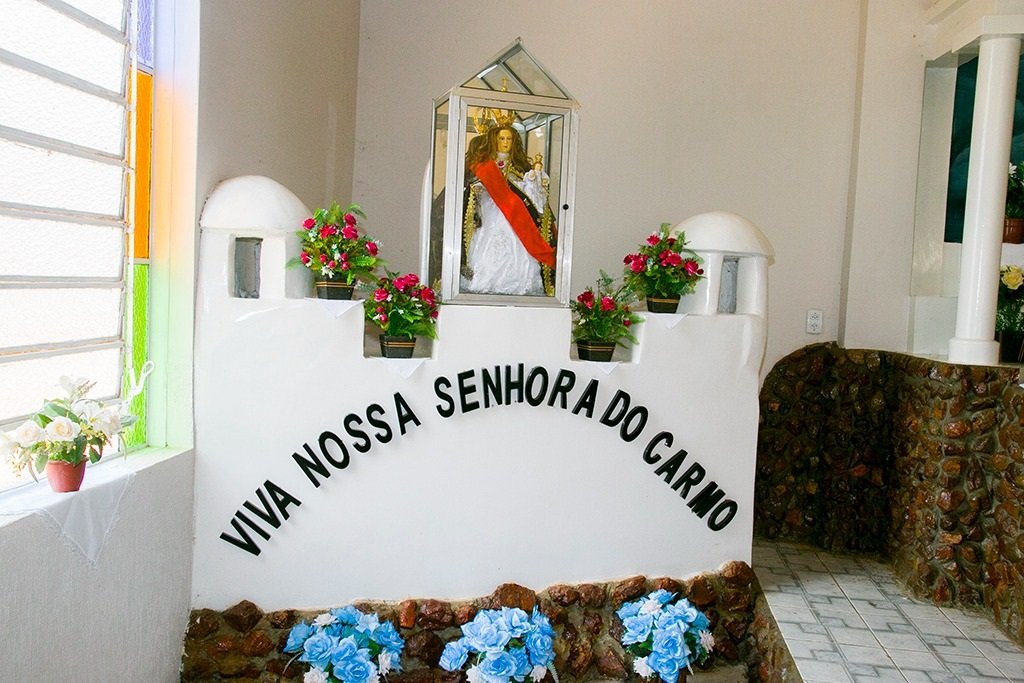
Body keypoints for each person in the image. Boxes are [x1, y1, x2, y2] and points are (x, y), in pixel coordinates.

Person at [460, 118, 557, 296]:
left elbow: (529, 194)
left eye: (509, 139)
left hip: (515, 214)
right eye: (502, 139)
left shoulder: (520, 166)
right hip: (491, 209)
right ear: (494, 140)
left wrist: (534, 180)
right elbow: (474, 188)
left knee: (517, 247)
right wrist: (479, 188)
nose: (505, 143)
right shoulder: (485, 165)